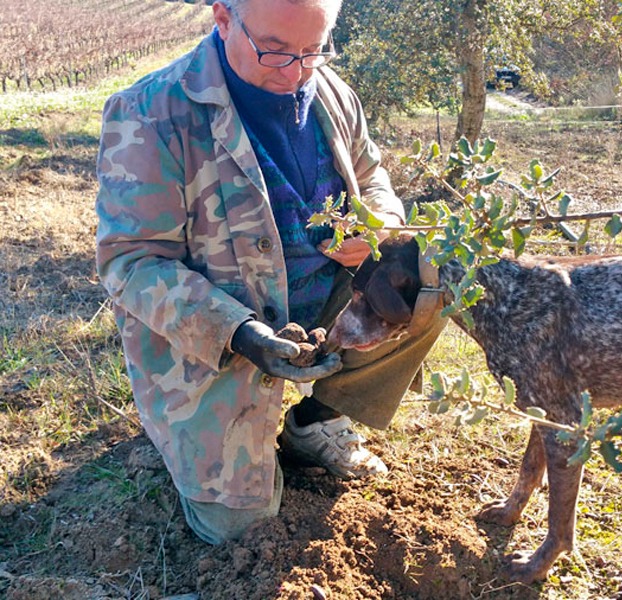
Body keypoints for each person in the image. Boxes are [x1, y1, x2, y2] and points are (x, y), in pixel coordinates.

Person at [95, 0, 445, 545]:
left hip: (326, 300)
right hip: (217, 336)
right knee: (241, 529)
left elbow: (374, 176)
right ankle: (194, 438)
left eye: (313, 49)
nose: (296, 72)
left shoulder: (332, 93)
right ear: (223, 19)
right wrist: (236, 331)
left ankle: (317, 420)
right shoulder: (150, 112)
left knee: (428, 282)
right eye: (275, 51)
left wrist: (379, 226)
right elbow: (132, 263)